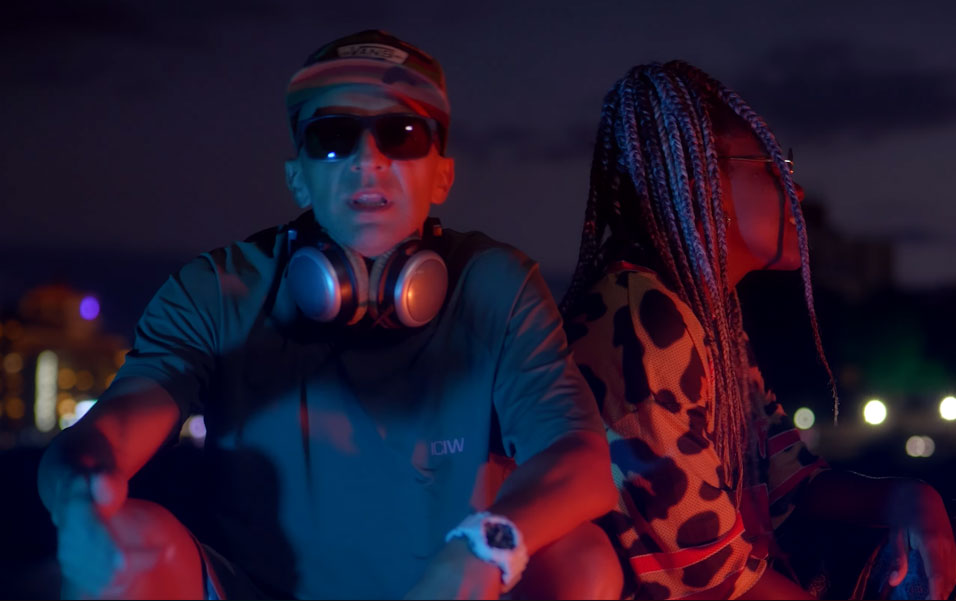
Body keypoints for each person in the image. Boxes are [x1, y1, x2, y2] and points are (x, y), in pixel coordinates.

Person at [37, 30, 622, 600]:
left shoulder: (495, 285)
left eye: (402, 133)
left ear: (442, 174)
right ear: (299, 177)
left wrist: (483, 547)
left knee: (583, 559)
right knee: (126, 540)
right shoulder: (218, 290)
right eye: (334, 136)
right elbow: (110, 430)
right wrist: (82, 496)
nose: (369, 158)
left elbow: (580, 461)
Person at [560, 61, 956, 600]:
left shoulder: (709, 319)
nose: (795, 189)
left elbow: (789, 481)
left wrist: (911, 498)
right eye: (771, 168)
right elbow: (710, 578)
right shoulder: (640, 319)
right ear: (702, 184)